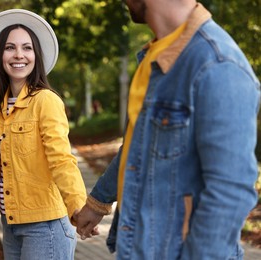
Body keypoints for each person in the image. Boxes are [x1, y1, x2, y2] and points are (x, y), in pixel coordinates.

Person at [74, 0, 260, 259]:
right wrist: (98, 203)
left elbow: (230, 191)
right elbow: (136, 148)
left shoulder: (217, 64)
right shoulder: (155, 58)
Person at [0, 9, 87, 260]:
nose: (19, 55)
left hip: (45, 226)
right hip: (10, 221)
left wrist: (79, 207)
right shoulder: (0, 107)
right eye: (10, 48)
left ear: (37, 56)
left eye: (27, 48)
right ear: (0, 55)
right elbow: (4, 164)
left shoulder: (45, 100)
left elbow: (61, 159)